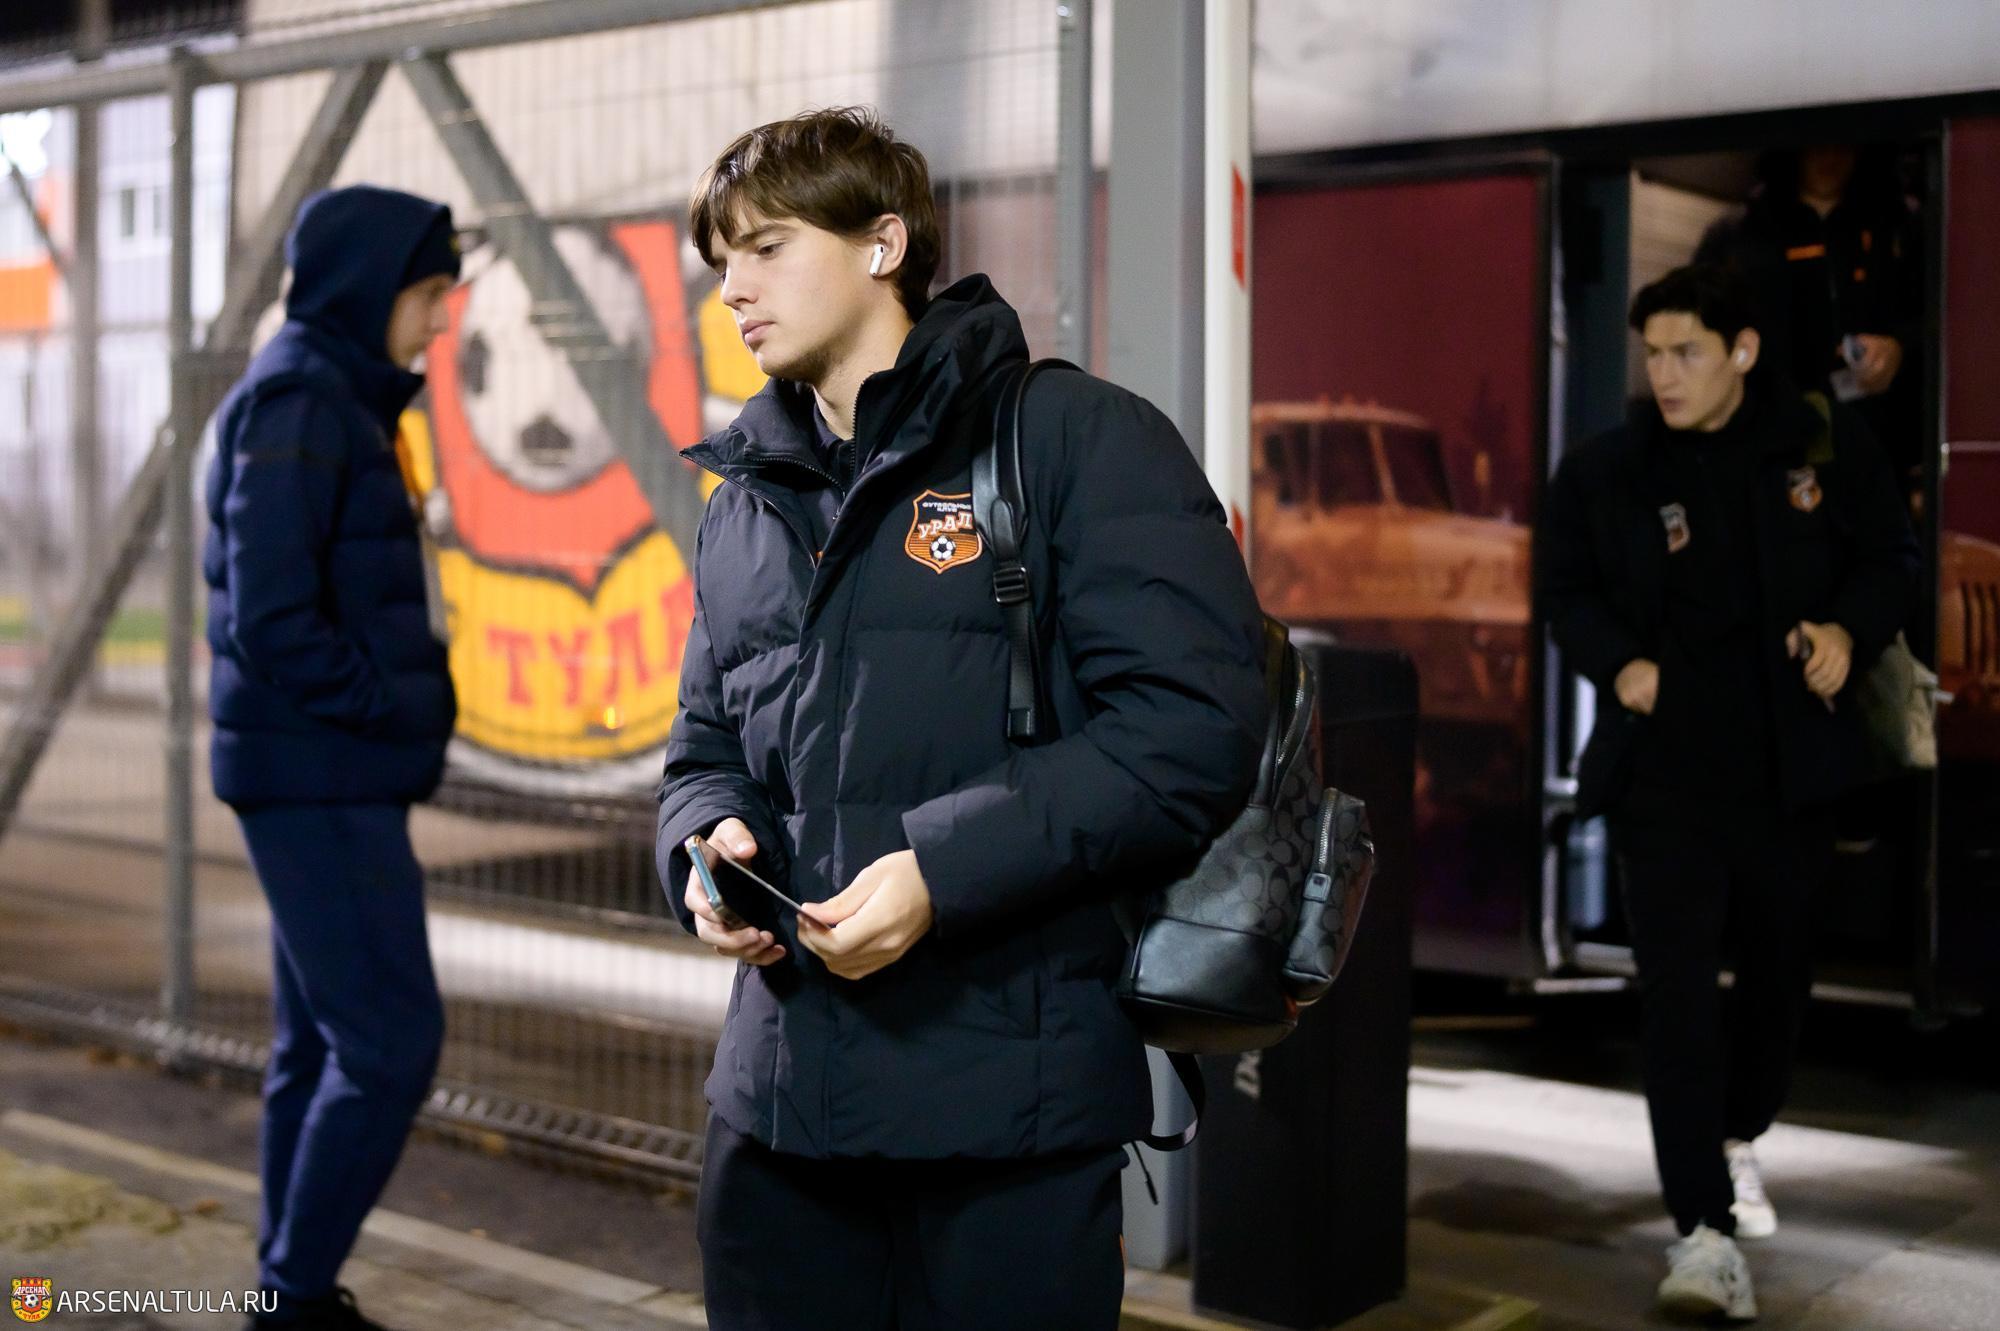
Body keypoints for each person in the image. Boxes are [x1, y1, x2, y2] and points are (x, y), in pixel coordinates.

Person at [654, 107, 1268, 1331]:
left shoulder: (1071, 440)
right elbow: (700, 748)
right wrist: (701, 850)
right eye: (721, 260)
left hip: (1005, 1126)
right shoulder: (743, 503)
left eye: (766, 247)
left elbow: (1192, 729)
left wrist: (941, 869)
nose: (732, 289)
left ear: (882, 245)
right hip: (778, 1120)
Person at [1538, 263, 1916, 1322]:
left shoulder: (1820, 450)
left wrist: (1845, 628)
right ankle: (1701, 1233)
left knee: (1777, 990)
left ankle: (1737, 1129)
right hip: (1664, 780)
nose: (1663, 373)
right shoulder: (1607, 470)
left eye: (1686, 353)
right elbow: (1563, 588)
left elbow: (1892, 558)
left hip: (1789, 776)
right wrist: (1620, 664)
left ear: (1741, 351)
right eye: (1652, 353)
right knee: (1676, 1003)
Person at [205, 184, 461, 1331]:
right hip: (320, 772)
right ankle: (295, 1297)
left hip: (322, 770)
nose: (439, 317)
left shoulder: (330, 393)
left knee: (316, 1043)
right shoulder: (303, 398)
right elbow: (271, 617)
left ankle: (288, 1287)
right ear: (369, 288)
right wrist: (385, 711)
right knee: (390, 1041)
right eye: (427, 291)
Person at [1696, 146, 1925, 484]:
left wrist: (1898, 349)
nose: (1828, 156)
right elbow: (1700, 327)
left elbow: (1945, 320)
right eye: (1816, 144)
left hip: (1877, 443)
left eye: (1841, 142)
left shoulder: (1899, 223)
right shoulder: (1740, 230)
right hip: (1767, 447)